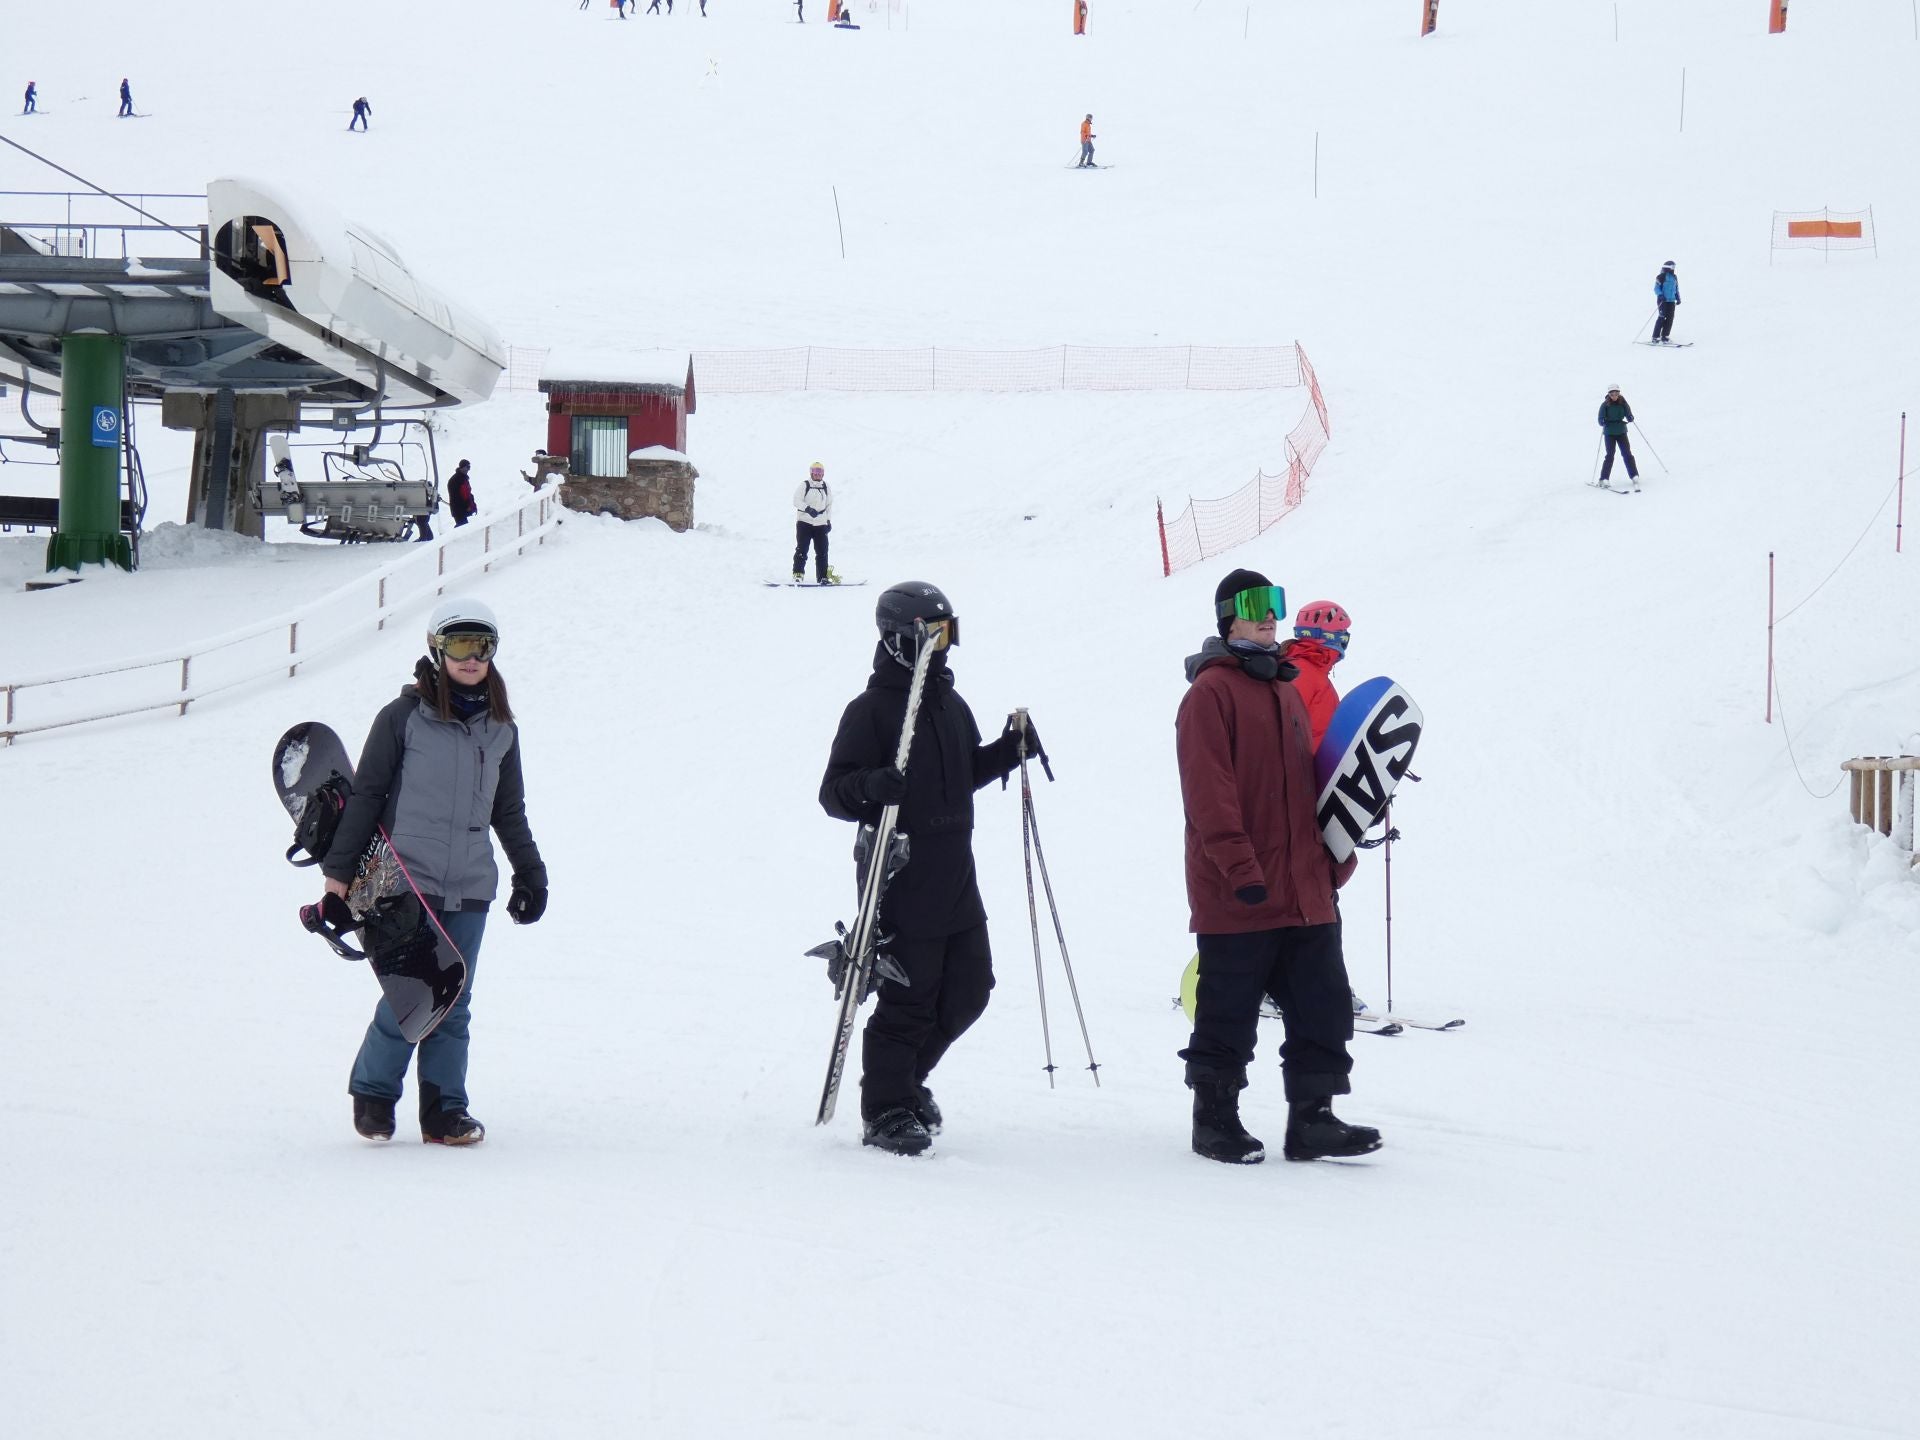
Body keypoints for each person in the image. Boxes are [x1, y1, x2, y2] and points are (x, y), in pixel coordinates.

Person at [819, 582, 1042, 1156]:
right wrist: (870, 786)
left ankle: (905, 1081)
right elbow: (833, 794)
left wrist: (1008, 749)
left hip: (955, 876)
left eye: (950, 634)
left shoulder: (948, 704)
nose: (944, 647)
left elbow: (962, 775)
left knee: (970, 989)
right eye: (934, 635)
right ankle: (886, 1106)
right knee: (910, 998)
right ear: (900, 638)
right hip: (901, 877)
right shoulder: (870, 711)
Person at [322, 598, 548, 1146]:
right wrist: (337, 882)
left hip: (470, 883)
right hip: (406, 882)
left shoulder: (500, 730)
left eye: (483, 647)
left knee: (456, 998)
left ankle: (445, 1111)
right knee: (414, 992)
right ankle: (374, 1093)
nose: (472, 659)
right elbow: (367, 796)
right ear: (437, 650)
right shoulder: (402, 719)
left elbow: (508, 810)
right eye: (461, 646)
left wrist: (529, 873)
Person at [1175, 568, 1380, 1165]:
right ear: (1226, 616)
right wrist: (1240, 872)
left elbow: (1311, 785)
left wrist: (1332, 854)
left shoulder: (1289, 691)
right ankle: (1214, 1118)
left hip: (1304, 886)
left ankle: (1312, 1119)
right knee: (1228, 1009)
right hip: (1240, 888)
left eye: (1275, 603)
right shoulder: (1209, 695)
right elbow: (1209, 796)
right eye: (1255, 604)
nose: (1270, 614)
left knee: (1324, 1004)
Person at [1280, 600, 1351, 751]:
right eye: (1342, 635)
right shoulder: (1302, 674)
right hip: (1305, 771)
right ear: (1329, 636)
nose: (1344, 641)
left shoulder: (1311, 671)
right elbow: (1283, 733)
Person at [792, 460, 834, 583]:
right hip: (804, 522)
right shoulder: (805, 485)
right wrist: (808, 509)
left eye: (820, 471)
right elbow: (796, 500)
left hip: (821, 524)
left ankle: (822, 577)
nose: (818, 474)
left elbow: (829, 505)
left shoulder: (826, 487)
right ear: (811, 473)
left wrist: (828, 521)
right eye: (815, 471)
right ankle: (798, 574)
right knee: (802, 549)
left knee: (822, 551)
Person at [1596, 386, 1638, 487]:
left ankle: (1634, 475)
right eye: (1612, 394)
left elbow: (1629, 413)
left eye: (1616, 394)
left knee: (1627, 453)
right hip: (1609, 432)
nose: (1614, 396)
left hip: (1621, 431)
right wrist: (1602, 421)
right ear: (1609, 395)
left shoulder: (1623, 403)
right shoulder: (1605, 405)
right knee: (1610, 455)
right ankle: (1604, 478)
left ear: (1619, 393)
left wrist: (1630, 417)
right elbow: (1600, 418)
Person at [1651, 261, 1681, 344]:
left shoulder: (1674, 277)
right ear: (1667, 267)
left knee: (1670, 318)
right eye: (1672, 267)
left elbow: (1676, 288)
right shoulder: (1661, 276)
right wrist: (1660, 295)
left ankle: (1665, 336)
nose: (1673, 269)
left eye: (1674, 267)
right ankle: (1655, 337)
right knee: (1661, 317)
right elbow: (1656, 288)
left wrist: (1678, 297)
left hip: (1671, 301)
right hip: (1663, 300)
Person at [448, 459, 477, 527]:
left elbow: (468, 494)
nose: (468, 469)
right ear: (462, 467)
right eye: (467, 467)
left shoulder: (463, 478)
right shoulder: (456, 480)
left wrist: (472, 505)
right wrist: (467, 506)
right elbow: (458, 497)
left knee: (463, 527)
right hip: (459, 510)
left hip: (462, 509)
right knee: (462, 527)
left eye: (469, 467)